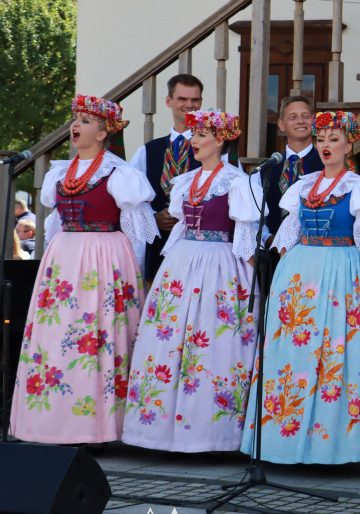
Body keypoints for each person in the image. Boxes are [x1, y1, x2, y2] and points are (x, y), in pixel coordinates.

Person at [241, 111, 360, 464]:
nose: (325, 146)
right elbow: (285, 239)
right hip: (299, 277)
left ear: (349, 144)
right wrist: (283, 281)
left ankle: (332, 446)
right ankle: (283, 441)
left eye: (333, 139)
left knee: (335, 354)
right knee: (294, 358)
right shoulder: (303, 186)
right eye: (321, 139)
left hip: (341, 272)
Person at [11, 95, 158, 443]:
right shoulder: (60, 172)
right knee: (58, 340)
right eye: (75, 119)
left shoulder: (121, 174)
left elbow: (138, 235)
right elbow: (56, 223)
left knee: (97, 342)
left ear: (105, 133)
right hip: (64, 260)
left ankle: (97, 428)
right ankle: (50, 423)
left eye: (86, 121)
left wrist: (130, 279)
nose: (76, 126)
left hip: (105, 258)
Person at [123, 109, 261, 453]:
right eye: (192, 134)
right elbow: (179, 231)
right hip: (182, 265)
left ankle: (213, 435)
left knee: (213, 346)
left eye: (200, 135)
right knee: (170, 345)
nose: (192, 141)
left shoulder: (238, 182)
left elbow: (246, 238)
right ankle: (162, 433)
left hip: (221, 268)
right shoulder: (185, 181)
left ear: (221, 140)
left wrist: (257, 287)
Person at [129, 74, 204, 282]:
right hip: (158, 245)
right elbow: (131, 201)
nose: (189, 105)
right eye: (182, 99)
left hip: (200, 247)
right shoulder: (148, 151)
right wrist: (153, 217)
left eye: (195, 100)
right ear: (169, 101)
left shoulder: (218, 150)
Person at [262, 96, 322, 239]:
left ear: (313, 122)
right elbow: (258, 213)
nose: (300, 121)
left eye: (306, 116)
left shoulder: (325, 165)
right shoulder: (267, 168)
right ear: (281, 125)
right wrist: (268, 238)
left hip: (314, 248)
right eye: (293, 117)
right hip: (274, 252)